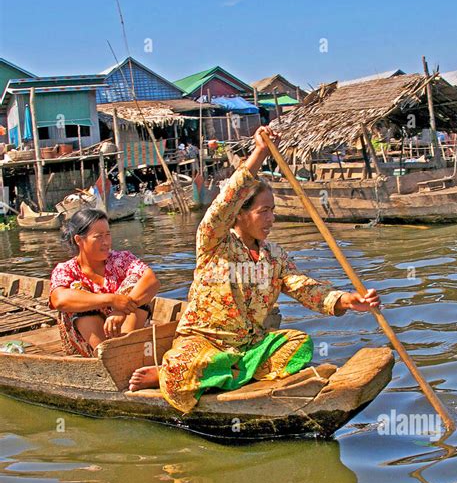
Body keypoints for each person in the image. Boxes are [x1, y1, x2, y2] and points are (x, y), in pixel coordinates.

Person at [129, 127, 380, 412]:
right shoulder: (214, 242)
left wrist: (347, 300)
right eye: (263, 211)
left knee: (300, 344)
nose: (271, 219)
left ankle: (228, 375)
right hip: (205, 344)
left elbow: (305, 288)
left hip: (249, 347)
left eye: (273, 210)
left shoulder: (275, 256)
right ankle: (179, 374)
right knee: (178, 374)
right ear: (239, 214)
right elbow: (224, 203)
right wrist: (260, 152)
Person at [49, 208, 159, 357]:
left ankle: (122, 350)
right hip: (90, 346)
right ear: (79, 240)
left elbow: (151, 280)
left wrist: (121, 310)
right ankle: (108, 355)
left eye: (108, 234)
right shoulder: (66, 269)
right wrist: (111, 300)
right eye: (98, 236)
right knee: (76, 291)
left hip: (128, 334)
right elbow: (59, 300)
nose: (106, 242)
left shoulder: (121, 259)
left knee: (135, 282)